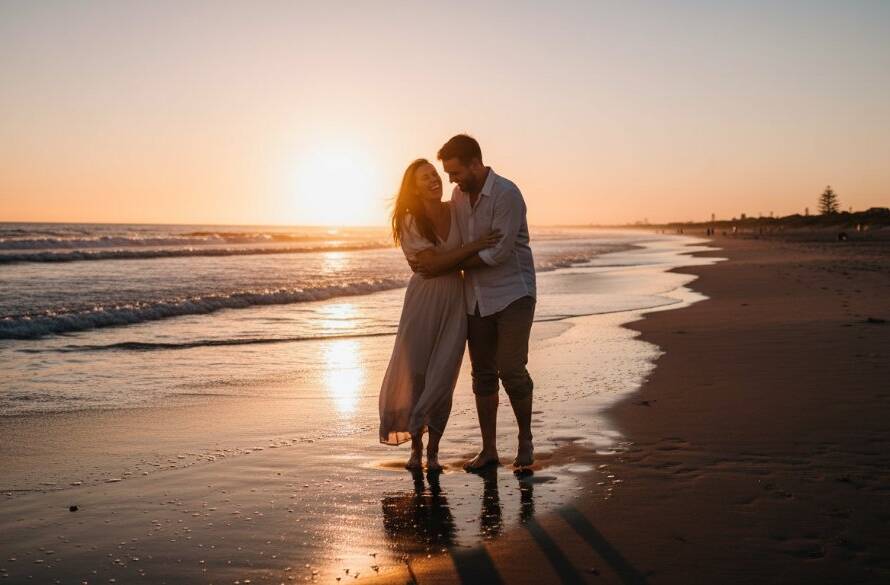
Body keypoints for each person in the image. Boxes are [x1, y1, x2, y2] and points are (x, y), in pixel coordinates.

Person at [415, 135, 537, 470]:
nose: (450, 180)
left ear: (474, 163)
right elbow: (454, 237)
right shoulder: (458, 195)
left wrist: (447, 264)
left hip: (514, 293)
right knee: (482, 374)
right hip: (475, 299)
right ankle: (489, 451)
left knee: (511, 369)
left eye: (454, 172)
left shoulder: (506, 195)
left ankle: (525, 440)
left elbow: (497, 253)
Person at [379, 158, 501, 471]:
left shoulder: (455, 210)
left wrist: (453, 259)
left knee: (443, 375)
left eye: (435, 174)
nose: (434, 179)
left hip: (454, 299)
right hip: (423, 300)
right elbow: (431, 265)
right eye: (425, 178)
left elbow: (444, 262)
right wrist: (470, 248)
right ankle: (416, 452)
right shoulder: (409, 220)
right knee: (417, 371)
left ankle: (433, 452)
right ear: (414, 188)